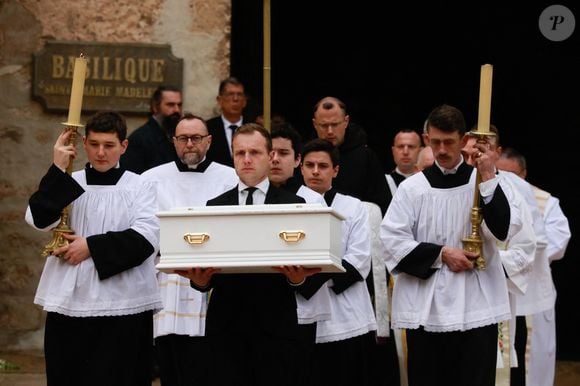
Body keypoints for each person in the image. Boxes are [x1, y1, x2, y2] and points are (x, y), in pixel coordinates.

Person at [380, 104, 524, 386]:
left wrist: (488, 177)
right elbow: (391, 241)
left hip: (476, 304)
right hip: (426, 305)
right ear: (427, 139)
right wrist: (441, 253)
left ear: (463, 140)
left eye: (449, 142)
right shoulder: (413, 188)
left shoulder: (483, 182)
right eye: (435, 142)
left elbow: (503, 230)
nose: (442, 149)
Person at [25, 111, 163, 386]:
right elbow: (37, 219)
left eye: (109, 145)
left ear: (123, 146)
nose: (101, 153)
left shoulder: (141, 185)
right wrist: (56, 168)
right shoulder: (69, 181)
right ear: (84, 143)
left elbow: (147, 237)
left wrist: (90, 246)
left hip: (124, 303)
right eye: (95, 144)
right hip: (70, 301)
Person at [177, 123, 320, 386]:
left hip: (276, 324)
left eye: (254, 152)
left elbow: (308, 270)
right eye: (239, 153)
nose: (246, 159)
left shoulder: (294, 205)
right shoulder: (214, 206)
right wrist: (200, 282)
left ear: (270, 156)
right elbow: (206, 269)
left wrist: (298, 279)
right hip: (226, 324)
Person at [141, 113, 238, 386]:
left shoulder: (230, 178)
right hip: (168, 282)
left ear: (209, 141)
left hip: (214, 281)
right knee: (171, 359)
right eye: (183, 138)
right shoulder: (151, 179)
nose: (190, 144)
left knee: (210, 361)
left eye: (196, 138)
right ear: (174, 142)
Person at [312, 95, 393, 385]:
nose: (330, 132)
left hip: (354, 255)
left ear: (346, 122)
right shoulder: (312, 157)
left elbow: (380, 209)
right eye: (323, 126)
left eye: (335, 125)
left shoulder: (365, 156)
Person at [298, 138, 377, 386]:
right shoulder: (290, 203)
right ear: (300, 167)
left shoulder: (353, 207)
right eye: (309, 165)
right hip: (304, 311)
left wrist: (313, 278)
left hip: (349, 312)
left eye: (322, 166)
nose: (315, 171)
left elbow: (360, 258)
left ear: (336, 170)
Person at [495, 146, 571, 386]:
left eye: (513, 175)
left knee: (534, 361)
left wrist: (522, 256)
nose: (508, 180)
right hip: (499, 290)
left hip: (532, 291)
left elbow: (558, 241)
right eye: (501, 173)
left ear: (524, 174)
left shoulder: (544, 201)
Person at [268, 123, 329, 385]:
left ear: (297, 160)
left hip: (300, 306)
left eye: (282, 153)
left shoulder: (312, 200)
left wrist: (298, 279)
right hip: (259, 308)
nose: (274, 159)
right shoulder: (251, 196)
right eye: (268, 152)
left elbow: (323, 255)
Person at [120, 85, 183, 174]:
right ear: (155, 107)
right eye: (170, 105)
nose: (176, 110)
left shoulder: (177, 135)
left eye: (179, 105)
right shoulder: (139, 139)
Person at [205, 76, 248, 167]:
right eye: (230, 94)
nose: (235, 99)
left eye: (239, 94)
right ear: (219, 100)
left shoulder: (254, 128)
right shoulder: (208, 128)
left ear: (244, 101)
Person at [385, 128, 422, 193]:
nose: (405, 152)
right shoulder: (384, 183)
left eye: (411, 147)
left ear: (420, 151)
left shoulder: (428, 182)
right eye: (401, 146)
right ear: (393, 151)